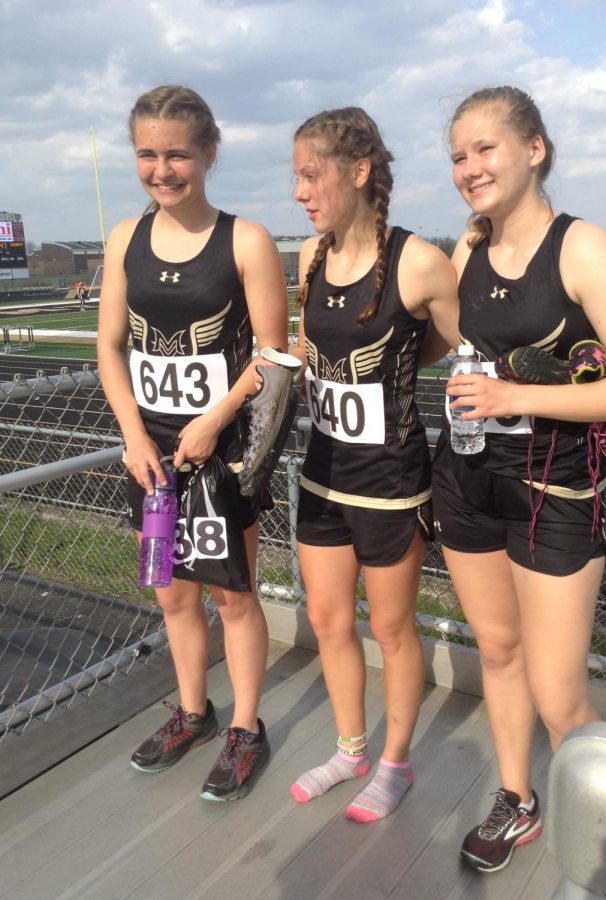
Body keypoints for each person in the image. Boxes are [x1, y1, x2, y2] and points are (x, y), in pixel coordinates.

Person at [431, 85, 606, 872]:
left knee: (560, 694)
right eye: (459, 155)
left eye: (484, 148)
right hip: (467, 479)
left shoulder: (583, 247)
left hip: (555, 493)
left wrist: (517, 395)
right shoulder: (467, 251)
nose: (469, 166)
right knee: (497, 651)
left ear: (535, 150)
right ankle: (519, 800)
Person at [97, 85, 289, 800]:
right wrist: (131, 435)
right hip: (151, 457)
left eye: (177, 153)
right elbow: (111, 348)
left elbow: (273, 355)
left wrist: (213, 421)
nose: (162, 169)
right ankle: (192, 712)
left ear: (208, 152)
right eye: (147, 154)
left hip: (222, 456)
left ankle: (245, 728)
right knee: (173, 595)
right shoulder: (124, 239)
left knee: (232, 596)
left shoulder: (246, 241)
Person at [289, 107, 458, 822]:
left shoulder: (420, 261)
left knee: (392, 629)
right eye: (295, 177)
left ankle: (394, 762)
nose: (300, 191)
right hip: (322, 473)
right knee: (329, 619)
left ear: (358, 172)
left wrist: (385, 380)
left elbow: (449, 344)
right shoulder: (309, 255)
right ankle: (349, 747)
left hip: (390, 485)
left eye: (310, 174)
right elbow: (311, 346)